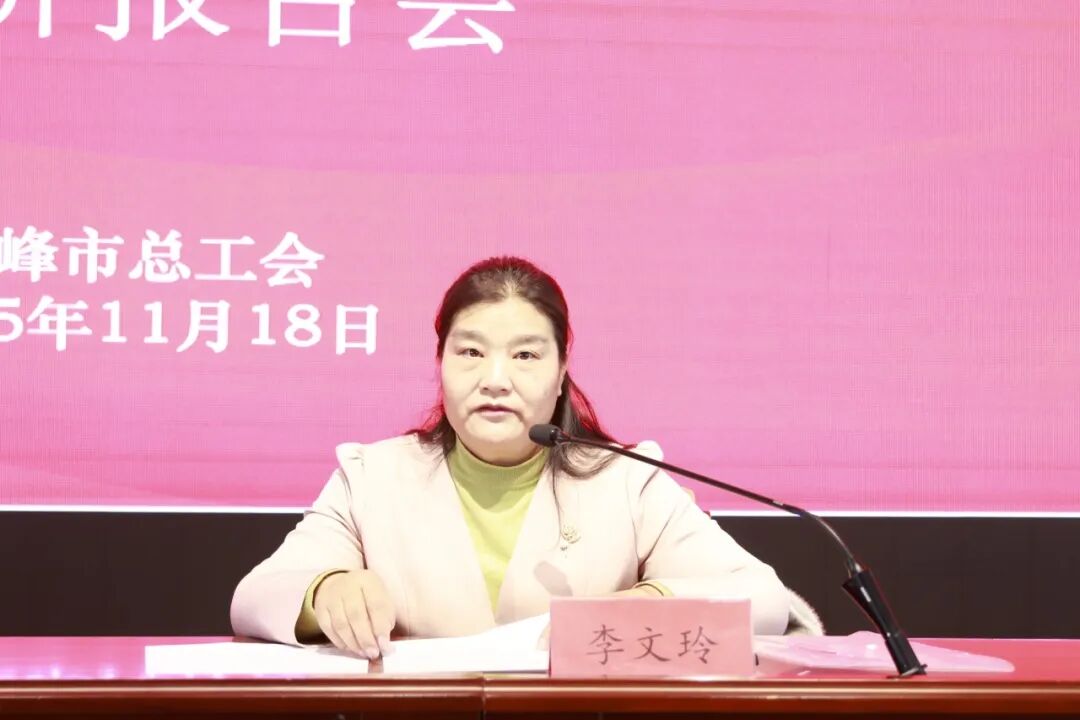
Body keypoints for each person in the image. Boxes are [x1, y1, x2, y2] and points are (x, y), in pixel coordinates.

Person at [230, 256, 791, 659]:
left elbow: (762, 598)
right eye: (470, 352)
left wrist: (643, 605)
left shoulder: (626, 479)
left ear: (561, 370)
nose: (494, 379)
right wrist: (326, 590)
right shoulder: (372, 477)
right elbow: (254, 597)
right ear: (440, 361)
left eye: (525, 355)